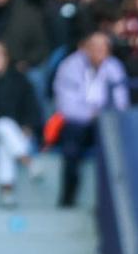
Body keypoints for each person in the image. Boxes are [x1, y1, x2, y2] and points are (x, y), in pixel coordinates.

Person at [52, 30, 129, 207]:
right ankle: (68, 198)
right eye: (95, 46)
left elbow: (122, 103)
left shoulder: (114, 67)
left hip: (104, 123)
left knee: (115, 138)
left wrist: (100, 116)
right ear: (85, 48)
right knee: (71, 142)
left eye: (103, 47)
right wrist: (92, 114)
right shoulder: (69, 66)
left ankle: (112, 200)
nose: (99, 51)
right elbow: (67, 107)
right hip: (77, 124)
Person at [0, 40, 41, 207]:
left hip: (15, 135)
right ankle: (28, 161)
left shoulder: (20, 80)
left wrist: (27, 126)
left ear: (6, 57)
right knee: (3, 124)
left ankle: (7, 192)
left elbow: (32, 109)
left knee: (3, 146)